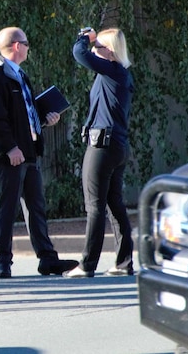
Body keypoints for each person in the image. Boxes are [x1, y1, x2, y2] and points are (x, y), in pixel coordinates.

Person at [0, 26, 78, 278]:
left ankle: (47, 259)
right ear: (16, 46)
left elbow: (23, 113)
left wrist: (44, 119)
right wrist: (10, 147)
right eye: (26, 42)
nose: (28, 47)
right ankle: (3, 262)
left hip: (29, 150)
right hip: (12, 154)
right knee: (8, 206)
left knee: (36, 206)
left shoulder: (21, 75)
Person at [63, 27, 135, 278]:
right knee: (115, 204)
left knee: (94, 206)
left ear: (111, 51)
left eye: (99, 47)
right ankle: (124, 263)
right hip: (117, 145)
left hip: (103, 146)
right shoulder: (119, 74)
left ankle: (87, 264)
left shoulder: (111, 70)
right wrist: (93, 43)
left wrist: (85, 38)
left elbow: (78, 53)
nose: (94, 50)